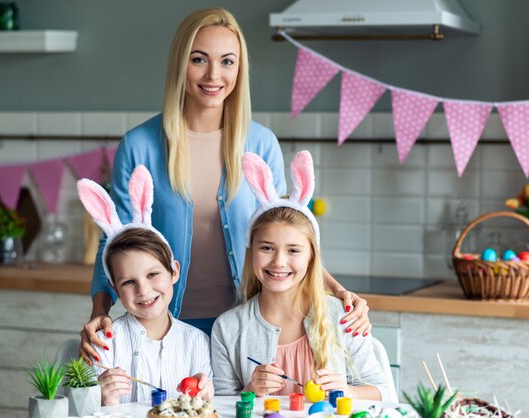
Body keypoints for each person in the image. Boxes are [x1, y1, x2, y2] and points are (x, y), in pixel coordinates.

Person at [80, 7, 371, 361]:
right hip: (164, 331)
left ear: (239, 69)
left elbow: (289, 237)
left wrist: (340, 292)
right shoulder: (139, 145)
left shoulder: (261, 144)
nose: (214, 75)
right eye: (199, 59)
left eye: (227, 62)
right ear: (179, 64)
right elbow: (114, 240)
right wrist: (100, 310)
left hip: (245, 331)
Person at [211, 151, 389, 401]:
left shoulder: (342, 317)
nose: (279, 262)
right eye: (266, 248)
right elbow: (219, 405)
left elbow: (383, 393)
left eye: (293, 250)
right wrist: (249, 391)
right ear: (251, 253)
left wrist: (347, 391)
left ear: (311, 257)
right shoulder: (228, 328)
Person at [77, 166, 213, 406]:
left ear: (174, 271)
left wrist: (205, 396)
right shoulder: (103, 345)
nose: (143, 290)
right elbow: (80, 408)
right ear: (114, 287)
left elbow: (206, 408)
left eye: (153, 274)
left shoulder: (197, 343)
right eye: (129, 282)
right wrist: (102, 399)